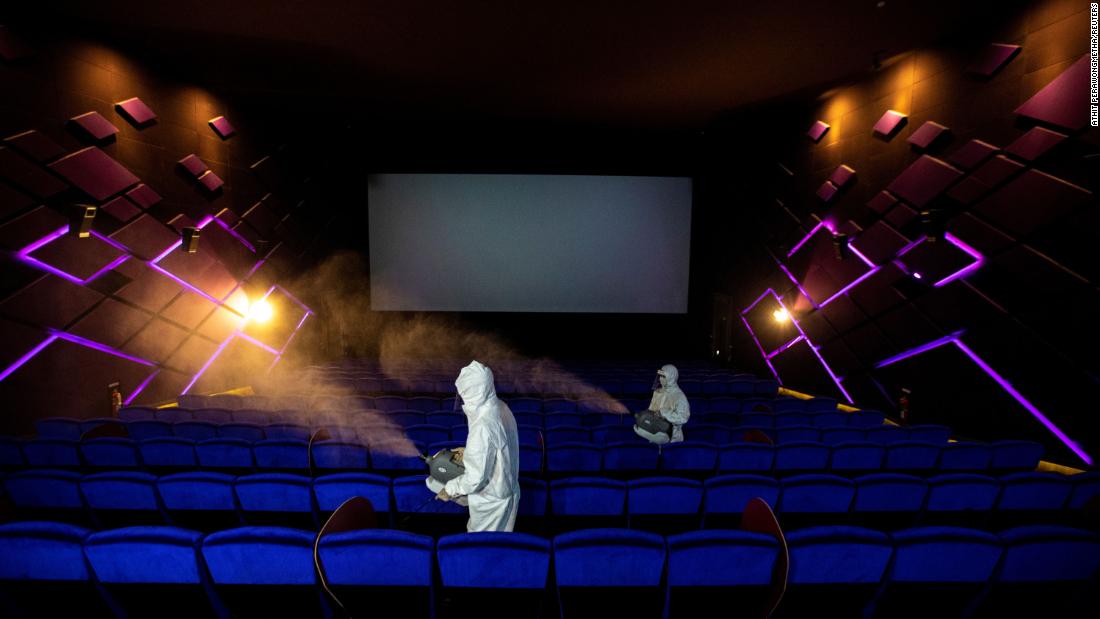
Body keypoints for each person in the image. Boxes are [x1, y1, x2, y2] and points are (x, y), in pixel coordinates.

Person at [429, 360, 521, 532]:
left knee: (482, 549)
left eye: (465, 393)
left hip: (490, 503)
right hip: (507, 490)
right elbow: (502, 447)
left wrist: (449, 490)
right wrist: (469, 452)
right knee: (501, 545)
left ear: (474, 393)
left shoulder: (483, 426)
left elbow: (475, 479)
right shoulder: (501, 407)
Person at [633, 364, 690, 444]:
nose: (660, 379)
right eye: (660, 376)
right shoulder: (658, 392)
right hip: (654, 433)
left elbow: (683, 418)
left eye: (664, 376)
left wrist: (664, 413)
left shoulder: (679, 397)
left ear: (671, 378)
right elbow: (651, 411)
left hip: (673, 439)